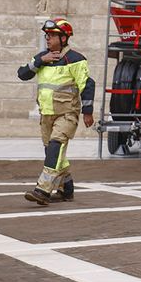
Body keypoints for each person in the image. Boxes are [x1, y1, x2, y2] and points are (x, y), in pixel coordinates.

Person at [18, 18, 94, 205]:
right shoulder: (42, 58)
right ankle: (66, 189)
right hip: (46, 115)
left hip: (67, 114)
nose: (48, 39)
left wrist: (88, 111)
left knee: (55, 147)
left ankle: (43, 190)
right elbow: (22, 74)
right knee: (53, 154)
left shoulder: (76, 59)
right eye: (47, 35)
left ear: (64, 38)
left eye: (52, 35)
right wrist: (38, 60)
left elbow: (87, 85)